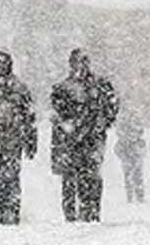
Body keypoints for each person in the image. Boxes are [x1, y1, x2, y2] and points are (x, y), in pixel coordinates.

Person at [51, 48, 119, 223]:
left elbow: (112, 106)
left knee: (91, 176)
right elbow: (57, 114)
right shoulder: (62, 88)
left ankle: (91, 211)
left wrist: (102, 122)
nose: (80, 66)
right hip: (71, 139)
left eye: (83, 62)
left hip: (91, 138)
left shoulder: (100, 85)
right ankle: (71, 214)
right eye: (77, 62)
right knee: (70, 178)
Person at [0, 50, 37, 225]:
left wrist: (31, 141)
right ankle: (3, 208)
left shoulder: (19, 87)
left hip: (13, 141)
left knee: (12, 176)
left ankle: (13, 210)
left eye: (3, 62)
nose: (0, 66)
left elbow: (29, 116)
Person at [113, 112, 146, 204]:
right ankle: (133, 196)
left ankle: (137, 196)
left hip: (133, 157)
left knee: (135, 177)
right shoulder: (124, 139)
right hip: (129, 158)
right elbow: (117, 149)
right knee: (132, 177)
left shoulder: (134, 139)